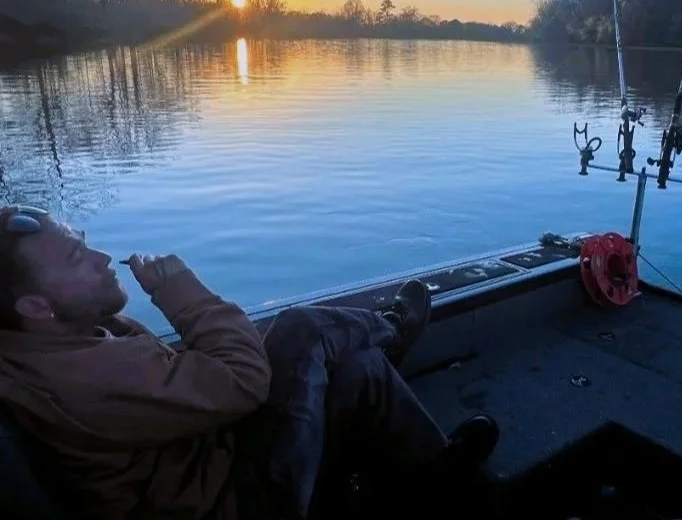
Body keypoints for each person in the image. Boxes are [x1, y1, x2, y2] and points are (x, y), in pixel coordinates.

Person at [0, 204, 500, 519]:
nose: (103, 258)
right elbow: (243, 383)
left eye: (85, 243)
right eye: (76, 260)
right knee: (303, 328)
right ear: (36, 307)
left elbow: (185, 380)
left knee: (358, 367)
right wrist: (182, 293)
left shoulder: (61, 340)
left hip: (212, 456)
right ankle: (394, 328)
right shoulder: (85, 376)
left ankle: (440, 475)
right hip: (237, 501)